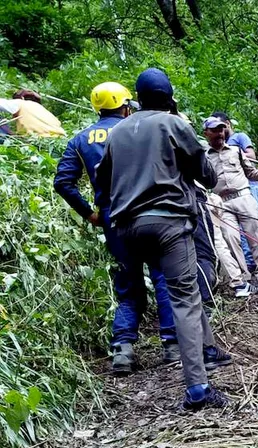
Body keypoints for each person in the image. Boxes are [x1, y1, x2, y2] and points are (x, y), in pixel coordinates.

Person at [95, 68, 233, 410]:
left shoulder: (117, 132)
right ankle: (198, 388)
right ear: (169, 99)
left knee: (176, 287)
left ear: (136, 100)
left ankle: (208, 348)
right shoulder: (174, 124)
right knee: (184, 295)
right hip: (168, 224)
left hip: (127, 228)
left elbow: (102, 179)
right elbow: (208, 175)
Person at [52, 82, 178, 374]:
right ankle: (172, 345)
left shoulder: (80, 139)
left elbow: (63, 182)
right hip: (150, 209)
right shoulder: (135, 127)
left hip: (113, 219)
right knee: (162, 276)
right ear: (125, 106)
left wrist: (90, 213)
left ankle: (122, 350)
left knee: (128, 284)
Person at [202, 116, 258, 296]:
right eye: (214, 130)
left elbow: (252, 173)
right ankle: (244, 280)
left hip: (244, 197)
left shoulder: (236, 151)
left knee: (255, 237)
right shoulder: (203, 156)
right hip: (221, 202)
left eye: (221, 129)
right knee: (231, 239)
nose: (219, 133)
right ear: (206, 133)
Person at [0, 89, 66, 137]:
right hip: (60, 138)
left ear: (21, 98)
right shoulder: (44, 111)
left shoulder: (21, 103)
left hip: (39, 138)